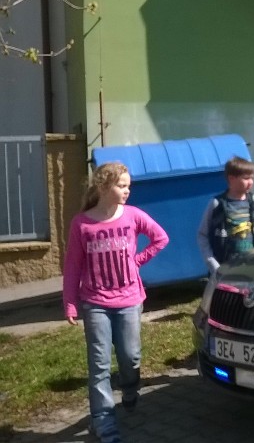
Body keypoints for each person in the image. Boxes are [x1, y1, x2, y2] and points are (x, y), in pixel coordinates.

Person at [62, 162, 170, 442]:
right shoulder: (82, 223)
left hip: (129, 300)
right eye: (122, 185)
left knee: (130, 357)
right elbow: (73, 265)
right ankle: (103, 421)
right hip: (95, 303)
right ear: (103, 186)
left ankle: (130, 388)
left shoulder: (133, 216)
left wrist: (137, 261)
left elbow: (160, 238)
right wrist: (70, 301)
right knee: (99, 364)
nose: (127, 190)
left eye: (128, 186)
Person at [197, 157, 254, 275]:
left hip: (251, 268)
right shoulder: (216, 204)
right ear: (231, 178)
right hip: (224, 269)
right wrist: (214, 265)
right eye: (246, 178)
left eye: (252, 178)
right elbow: (202, 235)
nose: (250, 182)